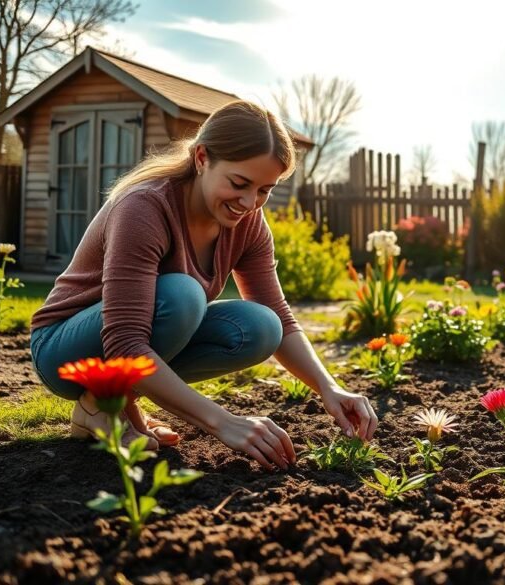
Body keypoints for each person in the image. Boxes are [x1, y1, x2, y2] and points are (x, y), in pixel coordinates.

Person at [29, 100, 377, 471]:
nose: (249, 203)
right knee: (182, 296)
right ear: (201, 159)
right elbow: (123, 341)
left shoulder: (249, 224)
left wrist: (328, 386)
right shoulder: (144, 208)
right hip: (65, 350)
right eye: (239, 183)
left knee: (261, 327)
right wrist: (223, 422)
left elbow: (280, 315)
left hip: (123, 347)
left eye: (264, 190)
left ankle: (99, 407)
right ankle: (112, 406)